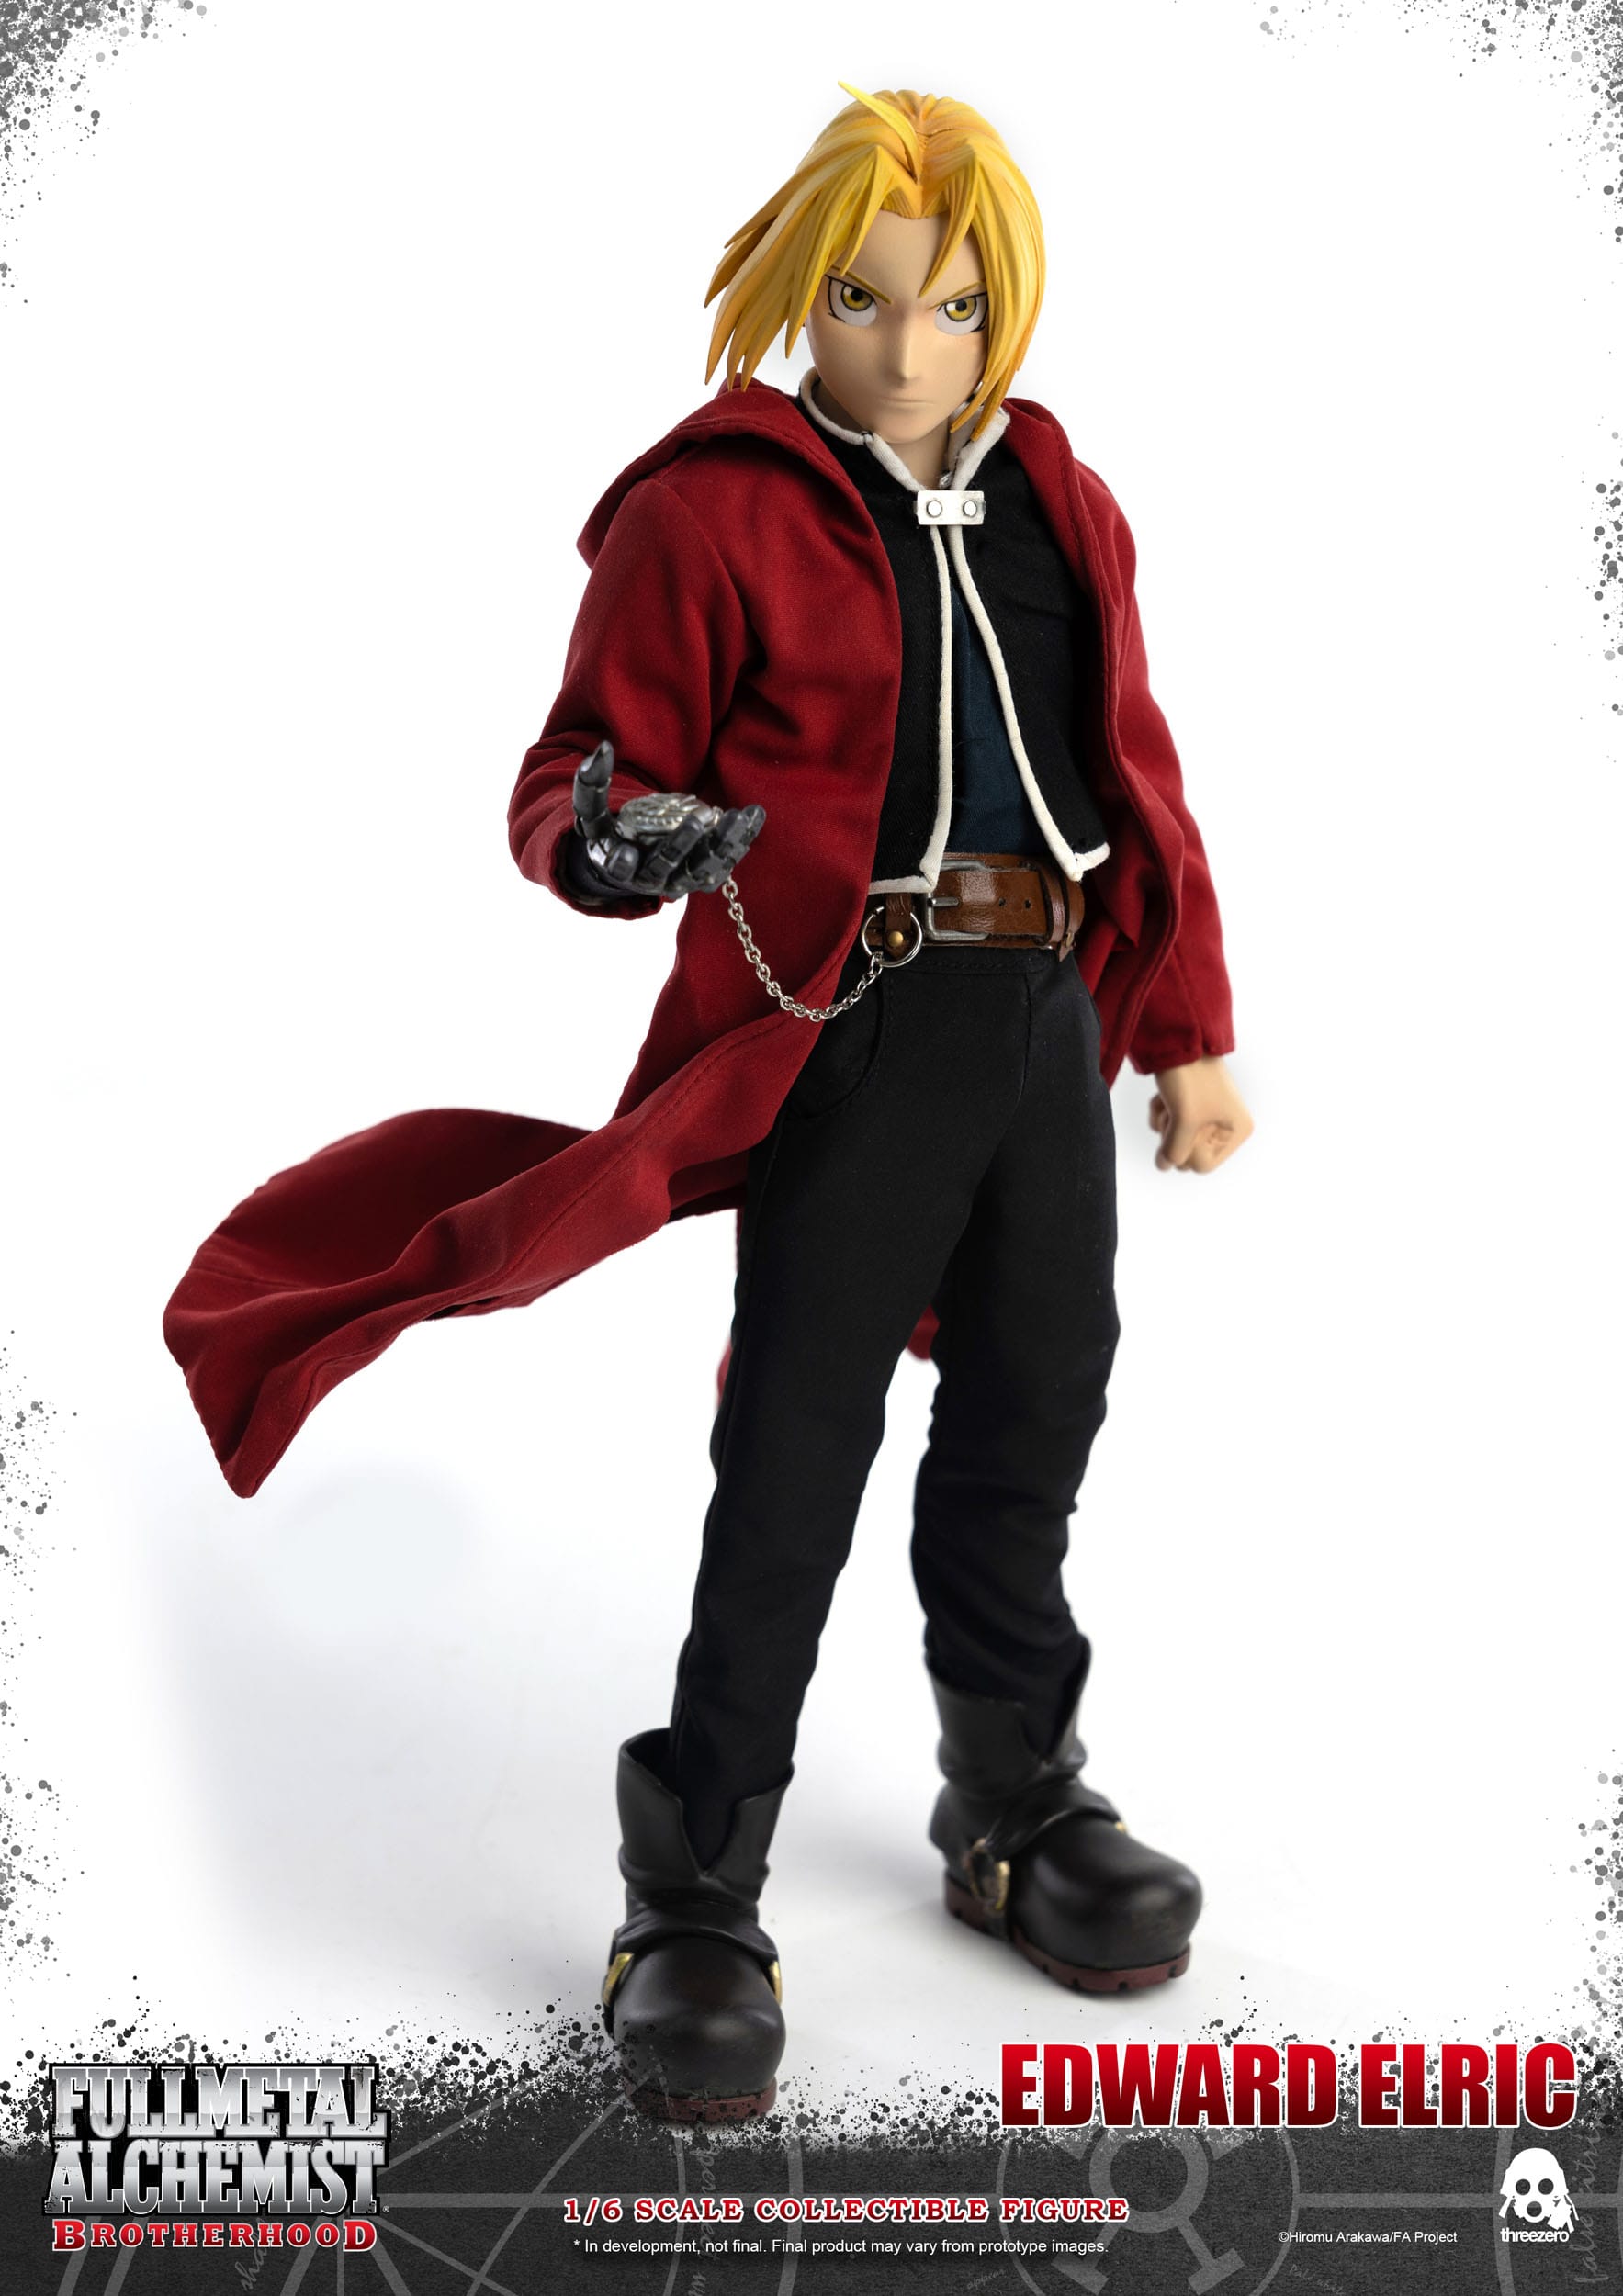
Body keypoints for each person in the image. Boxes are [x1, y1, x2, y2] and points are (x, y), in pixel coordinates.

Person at [163, 84, 1252, 2129]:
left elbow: (1135, 766)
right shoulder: (716, 509)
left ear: (1006, 313)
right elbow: (570, 770)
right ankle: (693, 1887)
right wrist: (617, 837)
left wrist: (1184, 1024)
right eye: (861, 302)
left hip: (1041, 1017)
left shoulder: (1059, 499)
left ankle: (1012, 1796)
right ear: (797, 300)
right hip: (850, 1021)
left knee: (1036, 1407)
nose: (906, 348)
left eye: (952, 307)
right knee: (795, 1449)